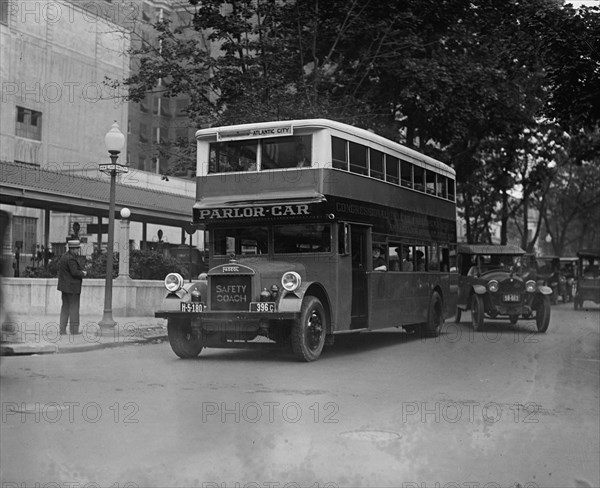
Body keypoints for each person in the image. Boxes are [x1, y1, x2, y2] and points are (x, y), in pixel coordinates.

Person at [57, 240, 87, 335]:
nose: (78, 251)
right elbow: (74, 272)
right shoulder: (71, 259)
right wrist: (83, 273)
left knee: (65, 308)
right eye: (77, 249)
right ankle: (74, 330)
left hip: (64, 288)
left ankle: (62, 330)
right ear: (73, 249)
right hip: (72, 288)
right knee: (74, 309)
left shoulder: (64, 256)